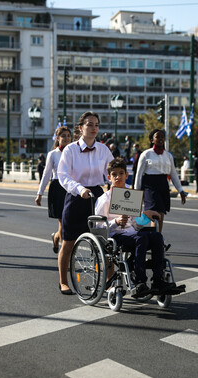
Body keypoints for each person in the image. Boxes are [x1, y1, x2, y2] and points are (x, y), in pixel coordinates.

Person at [95, 157, 177, 296]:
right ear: (109, 177)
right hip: (115, 235)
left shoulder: (130, 195)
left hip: (132, 232)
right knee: (142, 238)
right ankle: (140, 281)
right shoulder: (105, 199)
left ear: (126, 175)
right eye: (114, 174)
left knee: (157, 236)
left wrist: (146, 214)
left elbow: (135, 222)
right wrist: (116, 222)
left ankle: (158, 279)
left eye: (121, 173)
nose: (118, 177)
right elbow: (98, 226)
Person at [57, 111, 114, 294]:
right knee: (68, 242)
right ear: (81, 128)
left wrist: (126, 189)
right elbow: (63, 176)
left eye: (96, 125)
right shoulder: (70, 149)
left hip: (97, 196)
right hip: (76, 196)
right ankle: (63, 281)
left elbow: (113, 174)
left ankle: (109, 281)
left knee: (104, 241)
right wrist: (79, 189)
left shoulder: (104, 150)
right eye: (89, 124)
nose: (94, 128)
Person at [134, 129, 187, 234]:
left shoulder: (168, 156)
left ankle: (157, 236)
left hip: (163, 184)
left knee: (161, 214)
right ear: (152, 140)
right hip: (150, 185)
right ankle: (155, 238)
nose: (160, 139)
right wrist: (137, 192)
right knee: (155, 213)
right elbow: (139, 175)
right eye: (157, 137)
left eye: (162, 137)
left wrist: (180, 190)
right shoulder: (146, 154)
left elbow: (173, 174)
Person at [35, 126, 72, 254]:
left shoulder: (74, 151)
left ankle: (56, 237)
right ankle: (64, 253)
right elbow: (46, 175)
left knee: (71, 223)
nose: (66, 138)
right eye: (63, 136)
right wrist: (40, 194)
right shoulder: (53, 154)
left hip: (72, 188)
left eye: (68, 135)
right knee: (62, 222)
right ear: (57, 138)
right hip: (58, 188)